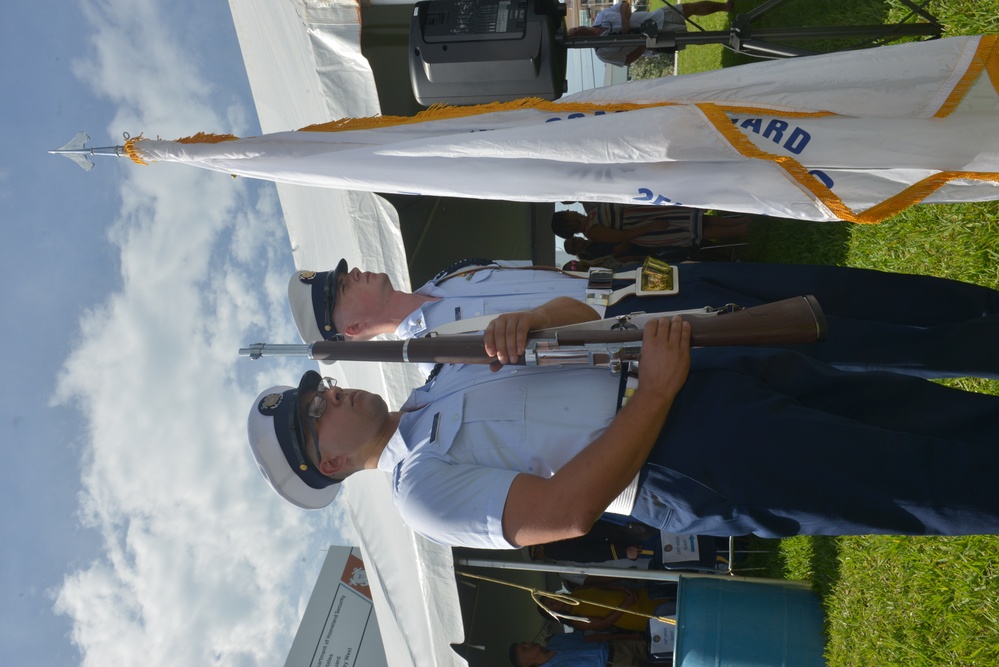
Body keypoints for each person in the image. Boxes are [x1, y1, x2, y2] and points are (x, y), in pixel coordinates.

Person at [247, 305, 999, 549]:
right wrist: (655, 397)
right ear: (336, 466)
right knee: (907, 479)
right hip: (685, 454)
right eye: (317, 418)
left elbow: (578, 320)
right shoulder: (420, 493)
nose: (330, 398)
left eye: (320, 390)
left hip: (690, 376)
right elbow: (562, 513)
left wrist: (532, 320)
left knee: (909, 412)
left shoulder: (443, 373)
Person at [289, 258, 999, 379]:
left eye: (340, 270)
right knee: (839, 341)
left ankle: (976, 306)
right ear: (351, 331)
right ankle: (980, 347)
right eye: (337, 289)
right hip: (641, 327)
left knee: (832, 286)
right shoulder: (442, 357)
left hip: (649, 282)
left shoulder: (449, 277)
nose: (349, 274)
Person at [568, 1, 733, 66]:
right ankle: (729, 38)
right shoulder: (602, 53)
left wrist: (625, 21)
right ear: (579, 42)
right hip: (656, 41)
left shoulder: (602, 17)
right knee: (694, 39)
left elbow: (624, 5)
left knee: (689, 8)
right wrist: (644, 43)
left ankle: (726, 7)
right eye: (576, 35)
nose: (578, 30)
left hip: (656, 17)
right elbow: (626, 60)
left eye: (574, 29)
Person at [510, 633, 652, 667]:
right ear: (526, 664)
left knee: (662, 649)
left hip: (616, 646)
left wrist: (624, 635)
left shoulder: (556, 640)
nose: (529, 644)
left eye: (525, 643)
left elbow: (590, 637)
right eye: (524, 649)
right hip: (613, 665)